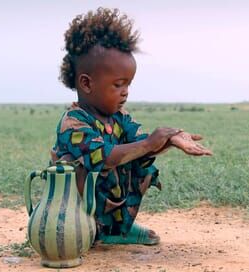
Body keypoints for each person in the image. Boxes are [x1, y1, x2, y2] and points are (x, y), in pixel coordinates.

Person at [51, 7, 212, 245]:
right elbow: (103, 157)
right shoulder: (73, 122)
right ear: (86, 83)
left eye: (128, 84)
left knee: (140, 159)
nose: (125, 92)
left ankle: (118, 228)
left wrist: (171, 138)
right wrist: (148, 143)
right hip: (71, 210)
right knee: (108, 161)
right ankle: (89, 229)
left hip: (103, 200)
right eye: (118, 84)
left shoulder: (119, 116)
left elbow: (143, 144)